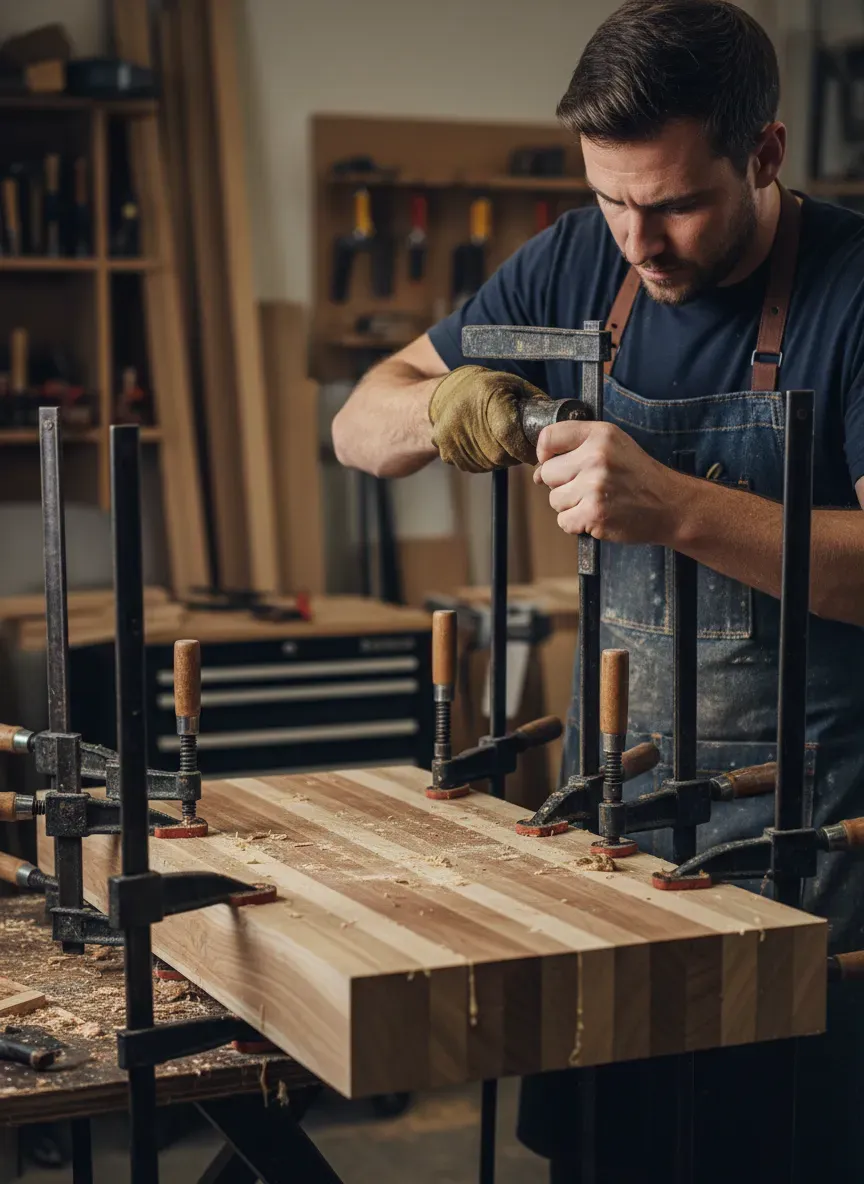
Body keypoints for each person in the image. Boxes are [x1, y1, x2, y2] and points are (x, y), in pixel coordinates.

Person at [332, 1, 864, 1177]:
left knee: (775, 1142)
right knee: (611, 1145)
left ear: (766, 152)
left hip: (808, 842)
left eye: (675, 203)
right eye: (612, 198)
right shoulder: (579, 260)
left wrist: (676, 505)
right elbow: (358, 426)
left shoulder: (853, 288)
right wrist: (454, 402)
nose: (640, 241)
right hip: (614, 817)